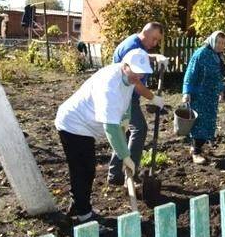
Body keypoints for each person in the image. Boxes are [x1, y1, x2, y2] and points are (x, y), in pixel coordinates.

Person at [54, 48, 154, 223]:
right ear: (125, 66)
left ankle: (77, 205)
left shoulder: (130, 78)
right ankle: (84, 215)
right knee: (83, 170)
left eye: (141, 74)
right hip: (73, 125)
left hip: (85, 126)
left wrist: (125, 119)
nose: (137, 78)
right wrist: (125, 156)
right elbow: (110, 128)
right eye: (135, 73)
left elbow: (127, 101)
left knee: (85, 169)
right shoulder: (110, 85)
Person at [107, 22, 167, 186]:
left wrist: (156, 57)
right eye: (154, 39)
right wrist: (153, 98)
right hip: (123, 96)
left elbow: (142, 56)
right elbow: (136, 83)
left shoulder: (138, 43)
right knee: (139, 129)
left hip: (125, 95)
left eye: (157, 41)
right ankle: (130, 174)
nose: (155, 43)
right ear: (145, 32)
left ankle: (115, 174)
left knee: (124, 131)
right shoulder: (133, 47)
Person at [182, 31, 225, 164]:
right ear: (212, 41)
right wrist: (186, 92)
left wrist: (220, 90)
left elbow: (219, 76)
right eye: (218, 42)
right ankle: (196, 153)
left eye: (223, 43)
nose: (220, 45)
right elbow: (191, 73)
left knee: (208, 123)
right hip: (199, 94)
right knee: (199, 123)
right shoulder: (201, 53)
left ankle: (195, 148)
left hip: (211, 96)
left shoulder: (217, 55)